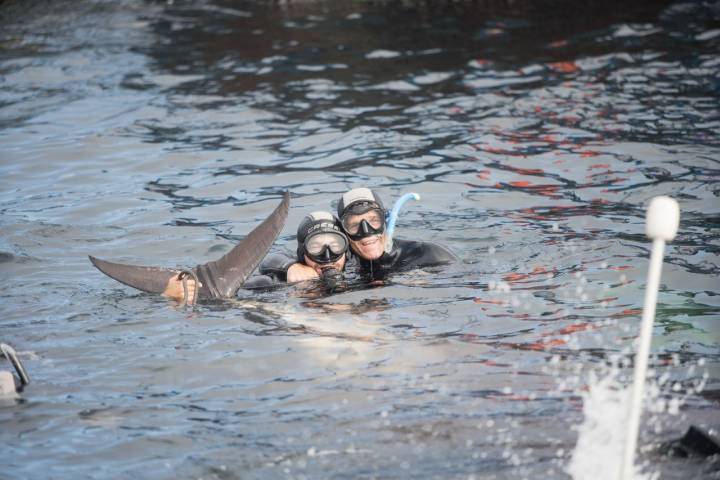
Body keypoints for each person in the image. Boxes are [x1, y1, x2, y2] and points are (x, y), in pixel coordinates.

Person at [336, 187, 456, 279]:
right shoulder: (341, 264)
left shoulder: (428, 254)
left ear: (386, 221)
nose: (366, 231)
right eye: (353, 225)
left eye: (374, 220)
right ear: (344, 233)